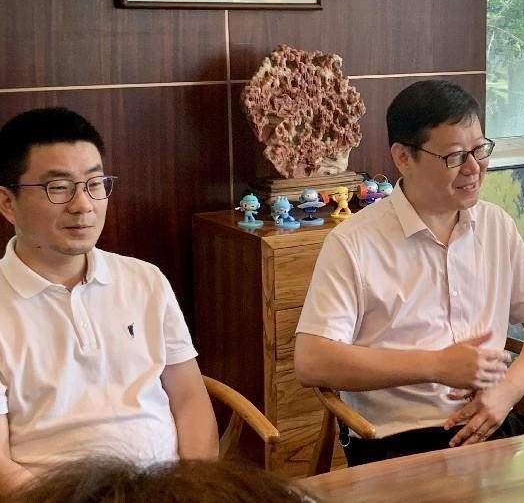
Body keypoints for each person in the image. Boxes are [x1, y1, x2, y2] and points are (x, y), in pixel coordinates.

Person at [294, 79, 524, 465]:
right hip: (400, 441)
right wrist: (436, 365)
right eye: (455, 156)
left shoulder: (495, 225)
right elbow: (312, 360)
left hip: (491, 424)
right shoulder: (353, 242)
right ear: (403, 157)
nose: (473, 168)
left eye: (480, 150)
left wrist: (507, 391)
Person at [0, 108, 218, 495]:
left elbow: (189, 399)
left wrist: (193, 487)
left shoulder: (145, 280)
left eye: (94, 184)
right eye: (58, 187)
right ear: (7, 202)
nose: (83, 204)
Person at [6, 457, 304, 503]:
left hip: (172, 485)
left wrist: (193, 481)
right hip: (60, 493)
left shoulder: (153, 296)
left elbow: (189, 398)